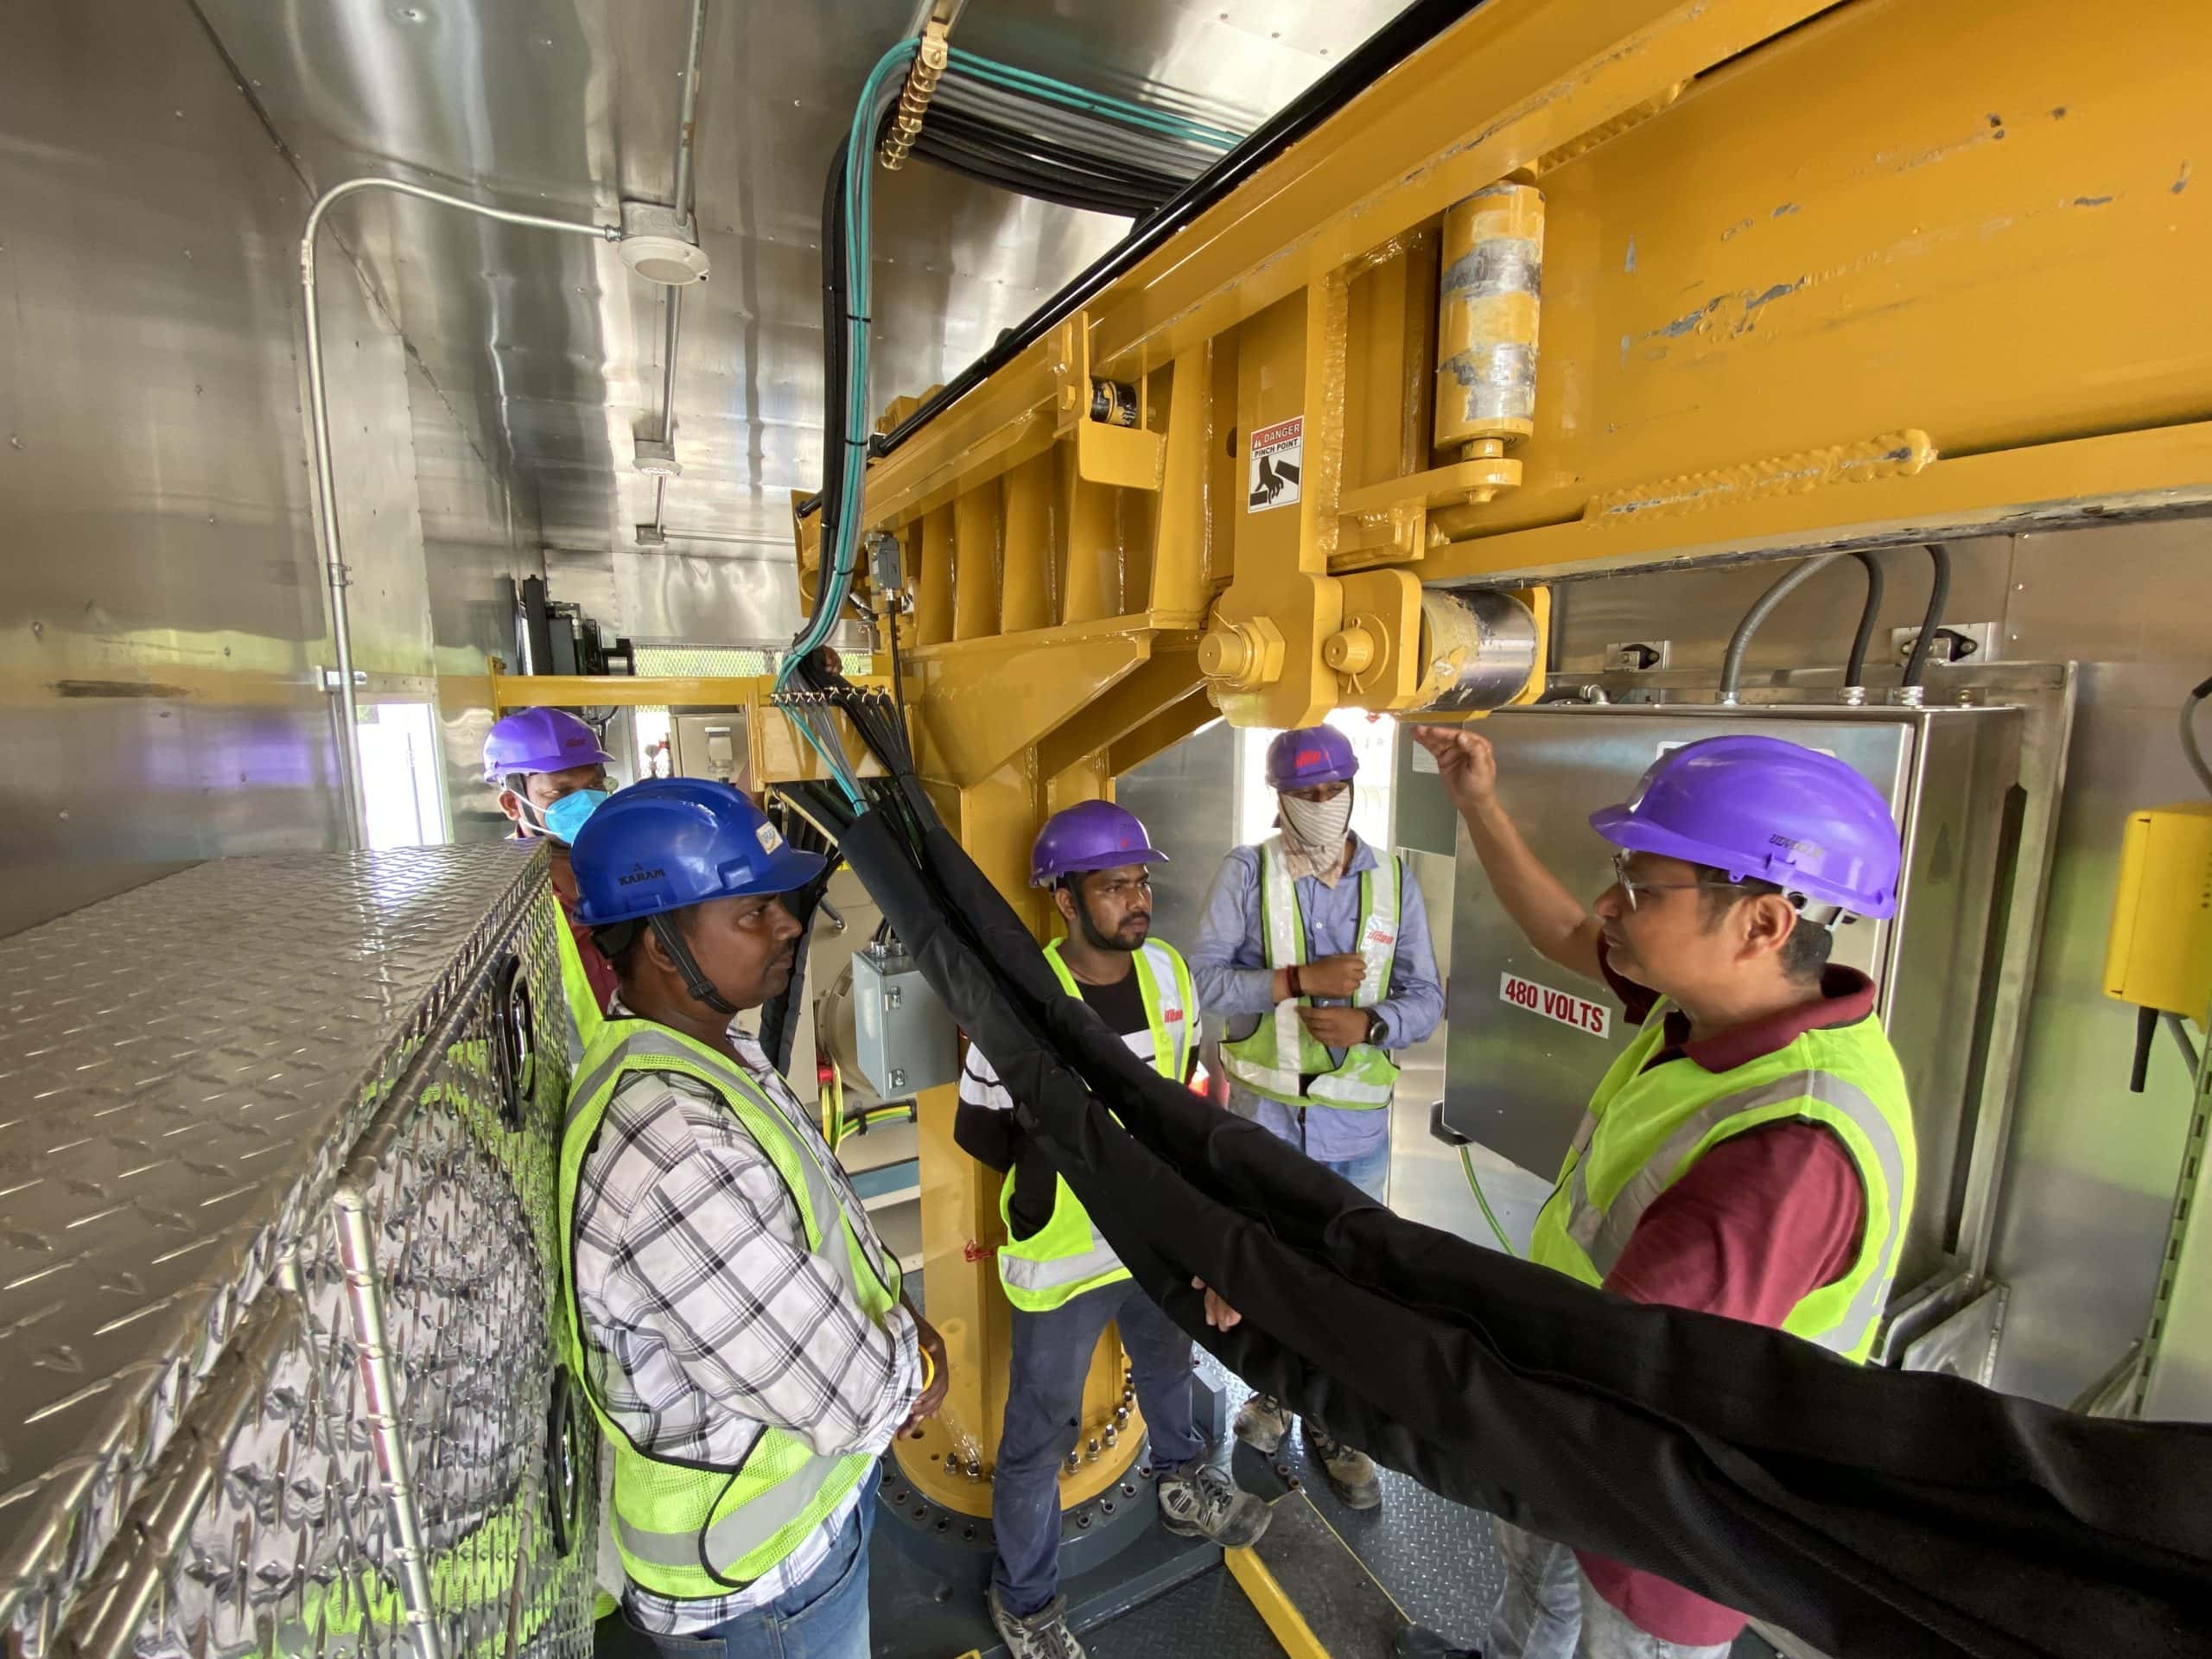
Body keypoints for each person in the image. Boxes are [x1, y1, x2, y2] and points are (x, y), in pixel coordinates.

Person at [1410, 725, 1916, 1659]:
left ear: (1761, 923)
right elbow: (1564, 931)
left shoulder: (1784, 1155)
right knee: (1535, 1607)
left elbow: (1622, 1382)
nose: (1610, 901)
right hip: (1567, 1439)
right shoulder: (1720, 1008)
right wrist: (1476, 801)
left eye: (1642, 887)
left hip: (1655, 1525)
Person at [561, 779, 949, 1659]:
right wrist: (922, 1357)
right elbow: (855, 1399)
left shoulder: (707, 1052)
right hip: (758, 1596)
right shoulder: (673, 1153)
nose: (786, 926)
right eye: (752, 911)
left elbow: (821, 1233)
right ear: (663, 946)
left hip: (789, 1550)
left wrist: (895, 1313)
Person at [958, 800, 1271, 1659]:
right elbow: (982, 1132)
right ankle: (1026, 1601)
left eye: (1141, 881)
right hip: (1060, 1261)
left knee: (1170, 1376)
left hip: (1154, 1246)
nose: (1137, 899)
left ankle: (1180, 1484)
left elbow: (1186, 1112)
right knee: (1040, 1434)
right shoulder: (1022, 1004)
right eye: (1113, 887)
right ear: (1063, 901)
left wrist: (1201, 1240)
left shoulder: (1169, 974)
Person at [1190, 723, 1442, 1510]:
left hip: (1357, 1136)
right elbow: (1203, 983)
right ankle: (1271, 1395)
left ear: (1354, 789)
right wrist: (1296, 979)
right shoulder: (1248, 872)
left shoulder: (1394, 879)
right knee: (1266, 1276)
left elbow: (1426, 998)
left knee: (1347, 1286)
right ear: (1281, 798)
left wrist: (1373, 1026)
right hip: (1265, 1131)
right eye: (1308, 794)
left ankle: (1336, 1424)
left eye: (1335, 791)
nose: (1324, 806)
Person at [483, 707, 620, 1050]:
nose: (584, 801)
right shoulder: (497, 894)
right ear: (512, 805)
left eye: (593, 786)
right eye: (560, 793)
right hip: (566, 1073)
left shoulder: (629, 860)